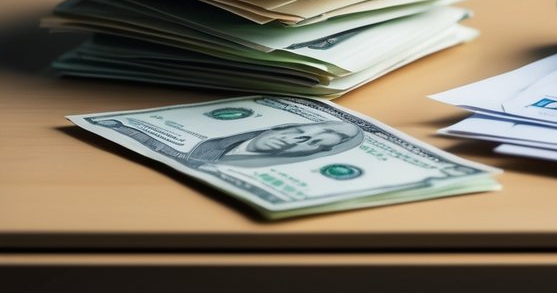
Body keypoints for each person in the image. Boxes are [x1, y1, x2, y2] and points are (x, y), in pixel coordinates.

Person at [92, 118, 364, 168]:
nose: (293, 141)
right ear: (286, 126)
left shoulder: (250, 168)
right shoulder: (219, 142)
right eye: (300, 133)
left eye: (309, 144)